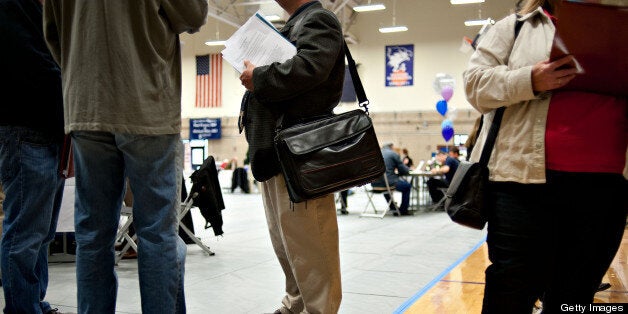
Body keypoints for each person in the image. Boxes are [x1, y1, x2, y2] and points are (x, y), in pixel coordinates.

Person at [463, 0, 628, 312]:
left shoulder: (621, 27)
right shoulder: (515, 27)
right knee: (510, 291)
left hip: (604, 189)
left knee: (575, 298)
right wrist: (529, 79)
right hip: (522, 185)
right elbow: (474, 85)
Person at [43, 1, 208, 312]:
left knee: (92, 235)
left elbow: (52, 32)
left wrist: (80, 74)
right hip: (147, 103)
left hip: (87, 104)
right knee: (157, 234)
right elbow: (193, 14)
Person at [237, 0, 345, 312]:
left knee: (313, 245)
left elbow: (310, 68)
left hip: (300, 153)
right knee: (288, 245)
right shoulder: (295, 23)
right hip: (274, 152)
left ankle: (319, 309)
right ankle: (296, 303)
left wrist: (259, 77)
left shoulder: (319, 19)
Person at [0, 0, 66, 312]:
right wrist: (70, 85)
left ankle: (33, 301)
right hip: (25, 127)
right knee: (24, 234)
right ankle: (22, 308)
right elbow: (31, 62)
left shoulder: (39, 7)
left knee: (40, 233)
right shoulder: (10, 5)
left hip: (48, 129)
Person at [372, 143, 412, 216]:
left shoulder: (375, 154)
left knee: (386, 187)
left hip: (375, 184)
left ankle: (393, 207)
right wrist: (408, 169)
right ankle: (403, 210)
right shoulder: (393, 154)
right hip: (389, 183)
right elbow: (403, 170)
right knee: (407, 186)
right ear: (391, 147)